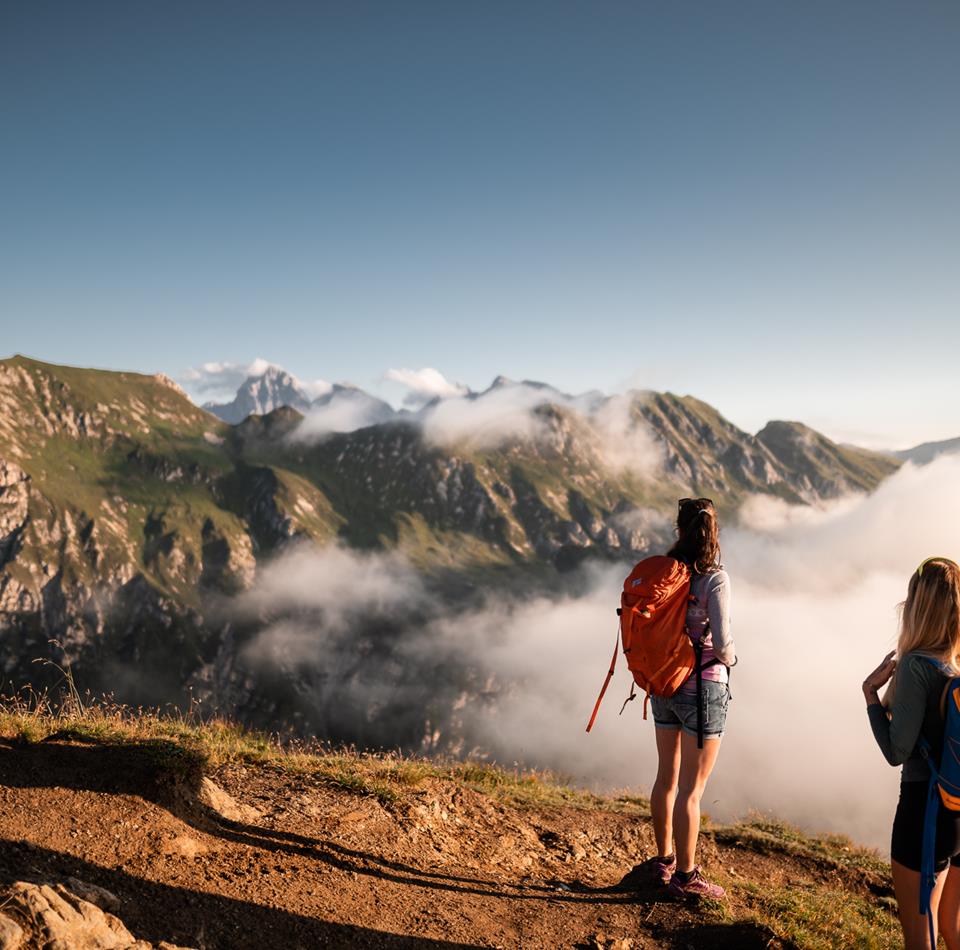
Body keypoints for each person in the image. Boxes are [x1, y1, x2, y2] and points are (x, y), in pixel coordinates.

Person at [864, 556, 960, 950]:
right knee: (954, 930)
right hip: (958, 808)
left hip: (925, 813)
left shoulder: (915, 668)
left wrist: (871, 695)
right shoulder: (953, 667)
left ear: (917, 607)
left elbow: (896, 751)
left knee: (920, 939)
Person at [648, 497, 735, 899]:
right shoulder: (714, 578)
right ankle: (687, 875)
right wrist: (734, 657)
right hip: (702, 686)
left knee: (666, 778)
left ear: (679, 529)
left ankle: (663, 862)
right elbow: (722, 641)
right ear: (713, 534)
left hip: (662, 682)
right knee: (691, 790)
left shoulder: (667, 573)